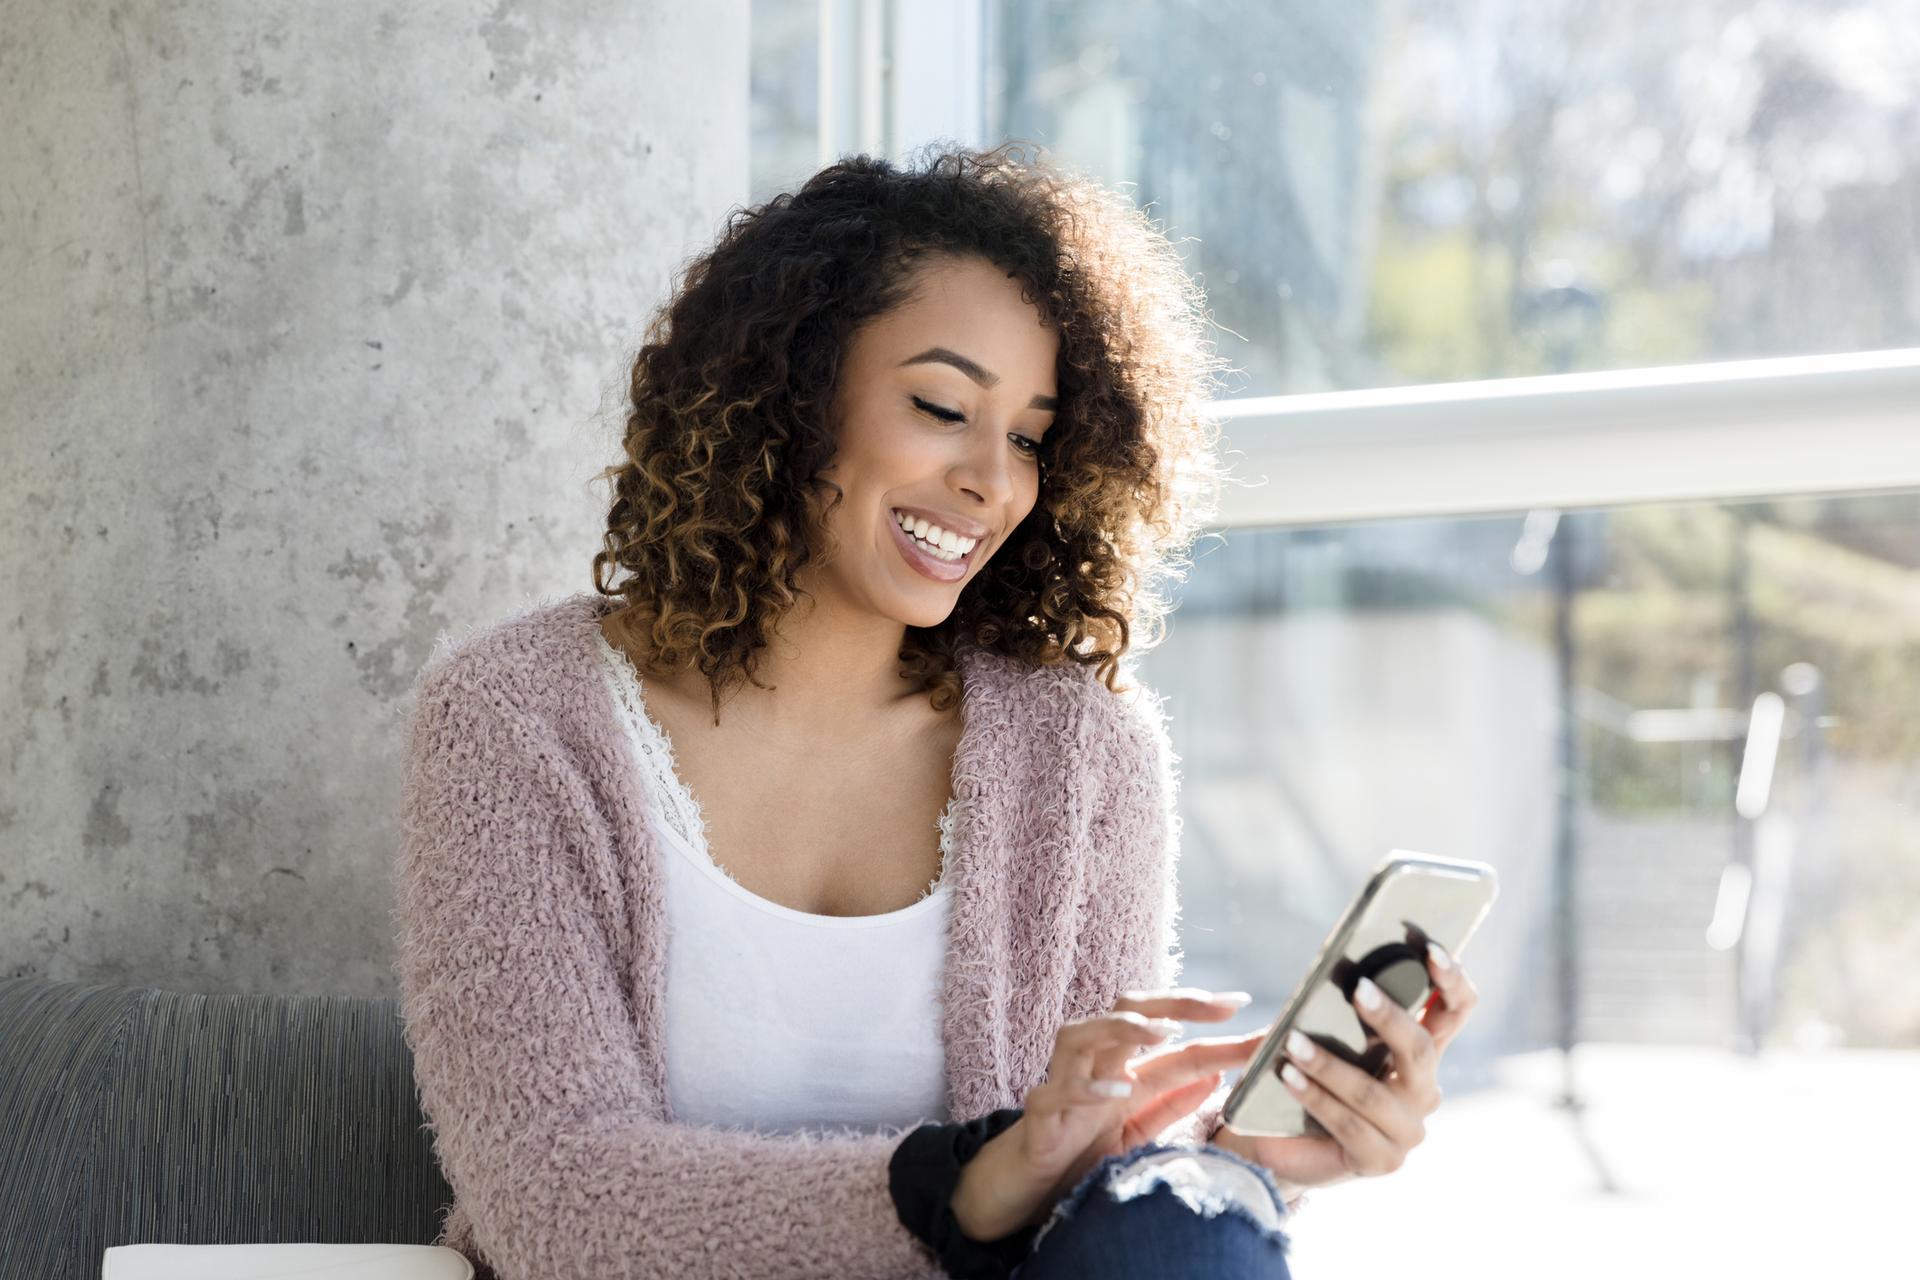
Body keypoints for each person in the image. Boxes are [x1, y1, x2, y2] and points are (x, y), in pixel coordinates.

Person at [392, 142, 1478, 1280]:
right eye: (942, 405)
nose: (991, 482)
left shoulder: (1081, 755)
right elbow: (553, 1198)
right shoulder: (516, 722)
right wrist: (956, 1185)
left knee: (1185, 1213)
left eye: (1029, 437)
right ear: (789, 390)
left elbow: (1081, 1177)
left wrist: (1243, 1153)